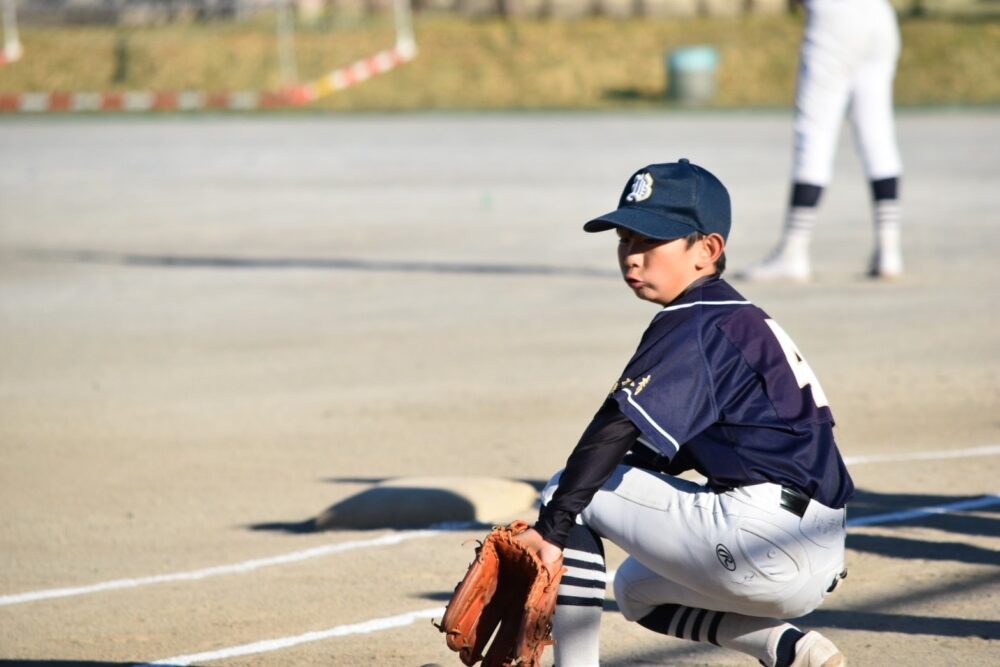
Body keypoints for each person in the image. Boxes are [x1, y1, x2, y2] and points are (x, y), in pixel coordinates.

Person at [515, 160, 854, 667]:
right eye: (625, 240)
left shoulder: (692, 321)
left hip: (754, 538)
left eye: (650, 241)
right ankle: (790, 648)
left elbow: (613, 428)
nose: (632, 258)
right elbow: (663, 452)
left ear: (708, 250)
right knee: (636, 592)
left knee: (571, 490)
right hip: (816, 553)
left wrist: (552, 526)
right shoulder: (737, 319)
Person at [738, 0, 903, 282]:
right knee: (878, 135)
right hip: (879, 15)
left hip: (833, 17)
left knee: (814, 136)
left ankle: (793, 251)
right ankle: (889, 250)